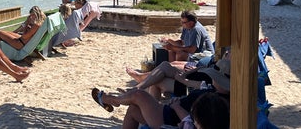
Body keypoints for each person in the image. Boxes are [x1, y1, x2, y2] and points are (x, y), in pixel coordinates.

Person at [91, 60, 230, 129]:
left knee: (139, 96)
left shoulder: (216, 101)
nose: (212, 78)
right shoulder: (212, 90)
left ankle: (112, 99)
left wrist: (176, 107)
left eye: (214, 76)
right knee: (133, 109)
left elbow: (191, 121)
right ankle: (114, 99)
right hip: (171, 112)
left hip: (171, 119)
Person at [126, 52, 230, 99]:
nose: (227, 52)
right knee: (165, 65)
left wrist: (183, 80)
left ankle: (138, 90)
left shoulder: (222, 77)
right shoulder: (221, 65)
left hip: (187, 86)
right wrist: (187, 73)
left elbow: (204, 86)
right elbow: (205, 68)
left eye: (228, 53)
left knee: (156, 82)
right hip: (188, 77)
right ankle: (138, 88)